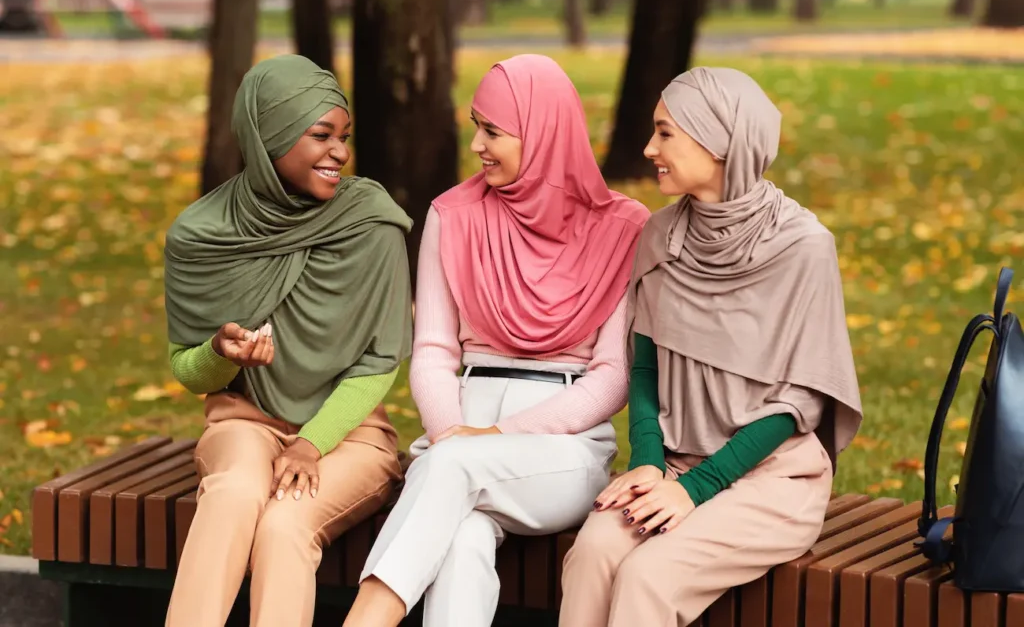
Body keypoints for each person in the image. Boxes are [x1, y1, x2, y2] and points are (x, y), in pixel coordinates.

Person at [340, 54, 650, 627]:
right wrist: (450, 432)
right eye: (475, 126)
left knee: (451, 470)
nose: (477, 144)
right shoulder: (452, 215)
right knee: (461, 539)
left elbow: (611, 377)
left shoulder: (624, 228)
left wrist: (494, 436)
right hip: (459, 430)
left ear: (543, 132)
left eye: (494, 131)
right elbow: (433, 350)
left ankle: (366, 618)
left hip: (564, 450)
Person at [557, 67, 864, 626]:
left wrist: (697, 489)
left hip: (773, 479)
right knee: (593, 554)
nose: (649, 148)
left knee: (649, 576)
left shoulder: (803, 246)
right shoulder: (661, 235)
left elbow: (803, 402)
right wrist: (650, 463)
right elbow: (644, 366)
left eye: (665, 133)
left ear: (719, 140)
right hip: (673, 464)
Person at [161, 54, 413, 627]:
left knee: (284, 524)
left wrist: (311, 443)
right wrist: (219, 356)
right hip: (243, 423)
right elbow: (188, 370)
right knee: (233, 496)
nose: (340, 154)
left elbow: (377, 363)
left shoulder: (370, 222)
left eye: (343, 137)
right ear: (268, 136)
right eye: (320, 135)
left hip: (349, 435)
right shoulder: (203, 236)